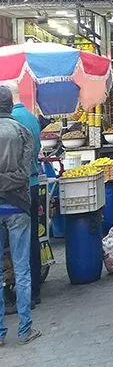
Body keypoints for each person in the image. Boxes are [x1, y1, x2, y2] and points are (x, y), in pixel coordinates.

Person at [0, 85, 40, 346]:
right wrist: (7, 182)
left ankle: (0, 334)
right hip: (17, 206)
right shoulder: (23, 131)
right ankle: (24, 329)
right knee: (22, 268)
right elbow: (25, 172)